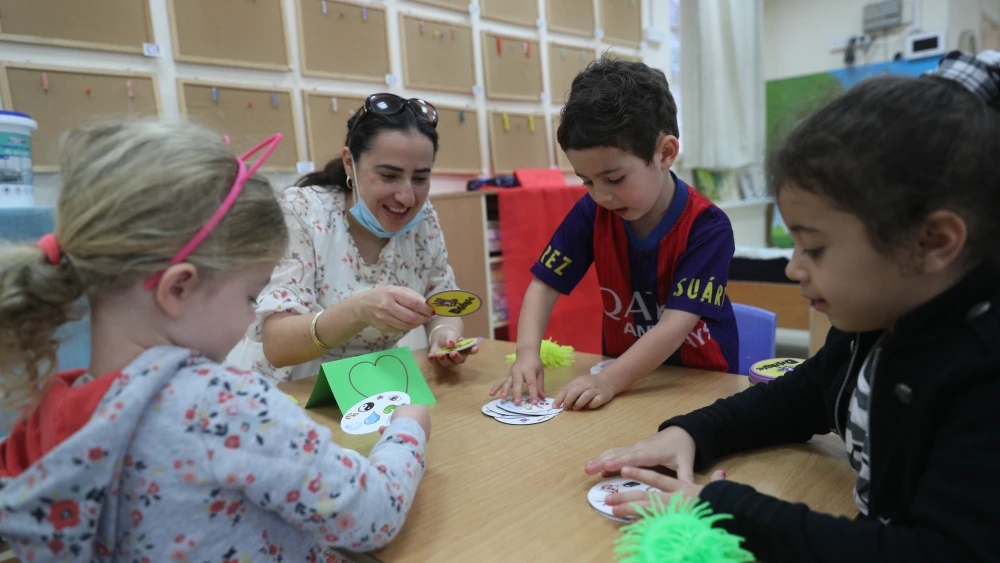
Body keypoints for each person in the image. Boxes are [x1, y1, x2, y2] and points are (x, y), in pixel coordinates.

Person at [585, 51, 1000, 562]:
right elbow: (801, 397)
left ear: (933, 242)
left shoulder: (982, 374)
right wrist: (692, 432)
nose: (793, 268)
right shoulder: (873, 328)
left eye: (815, 248)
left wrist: (723, 507)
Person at [0, 121, 432, 562]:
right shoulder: (223, 407)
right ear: (177, 289)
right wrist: (408, 429)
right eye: (251, 295)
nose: (253, 316)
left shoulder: (52, 408)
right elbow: (374, 514)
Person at [490, 56, 738, 410]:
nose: (601, 195)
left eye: (615, 179)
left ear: (665, 153)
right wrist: (526, 355)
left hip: (700, 385)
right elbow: (544, 286)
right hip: (624, 384)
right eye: (586, 181)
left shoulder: (707, 227)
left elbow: (674, 326)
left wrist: (607, 380)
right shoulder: (592, 212)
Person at [228, 93, 477, 384]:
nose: (407, 196)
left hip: (371, 385)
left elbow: (442, 301)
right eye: (388, 175)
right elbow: (277, 345)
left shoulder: (423, 219)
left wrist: (444, 336)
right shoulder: (303, 212)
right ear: (350, 164)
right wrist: (358, 310)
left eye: (420, 178)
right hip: (294, 388)